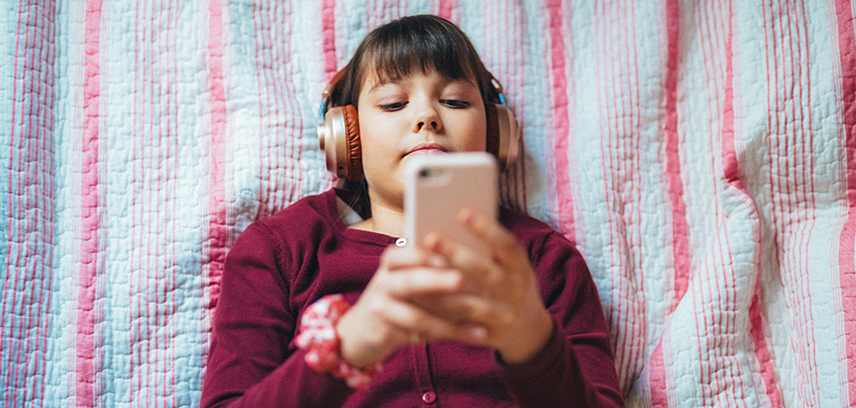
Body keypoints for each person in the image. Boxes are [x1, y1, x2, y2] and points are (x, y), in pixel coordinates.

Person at [200, 14, 623, 408]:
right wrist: (343, 347)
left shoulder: (542, 259)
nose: (426, 116)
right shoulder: (279, 250)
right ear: (347, 138)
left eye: (455, 101)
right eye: (392, 104)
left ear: (496, 133)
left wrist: (533, 339)